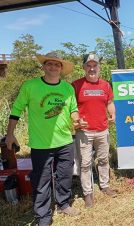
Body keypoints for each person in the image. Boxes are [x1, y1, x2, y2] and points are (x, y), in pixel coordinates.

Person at [5, 52, 84, 226]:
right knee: (41, 180)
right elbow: (16, 110)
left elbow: (73, 109)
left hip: (65, 141)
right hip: (41, 144)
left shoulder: (67, 88)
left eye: (57, 65)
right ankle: (43, 216)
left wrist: (77, 120)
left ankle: (64, 204)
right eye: (50, 64)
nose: (53, 67)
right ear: (44, 66)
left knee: (65, 175)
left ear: (61, 69)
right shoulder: (30, 86)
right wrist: (10, 134)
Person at [72, 52, 117, 208]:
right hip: (84, 132)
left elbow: (109, 102)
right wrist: (76, 122)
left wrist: (113, 113)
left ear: (99, 67)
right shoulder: (76, 85)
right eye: (89, 66)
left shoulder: (105, 85)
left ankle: (105, 186)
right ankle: (88, 193)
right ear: (84, 67)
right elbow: (71, 108)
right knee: (85, 163)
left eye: (95, 65)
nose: (92, 69)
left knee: (104, 159)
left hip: (102, 129)